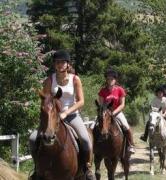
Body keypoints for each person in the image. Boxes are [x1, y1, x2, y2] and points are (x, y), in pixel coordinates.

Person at [29, 50, 94, 179]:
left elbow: (81, 101)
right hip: (52, 117)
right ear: (54, 64)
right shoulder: (49, 80)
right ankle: (37, 168)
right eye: (57, 62)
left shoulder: (75, 79)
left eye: (63, 62)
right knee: (32, 139)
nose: (60, 65)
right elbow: (45, 100)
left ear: (68, 64)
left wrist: (66, 112)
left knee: (85, 140)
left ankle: (86, 168)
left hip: (72, 115)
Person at [98, 69, 135, 154]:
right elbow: (101, 103)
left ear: (115, 80)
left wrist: (113, 113)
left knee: (125, 125)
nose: (110, 80)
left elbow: (122, 104)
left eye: (112, 79)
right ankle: (95, 145)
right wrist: (105, 112)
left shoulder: (120, 90)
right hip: (105, 112)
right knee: (94, 125)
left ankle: (131, 145)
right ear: (106, 80)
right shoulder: (102, 91)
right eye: (108, 79)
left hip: (117, 112)